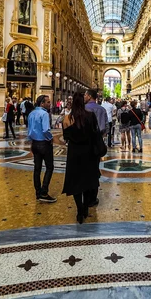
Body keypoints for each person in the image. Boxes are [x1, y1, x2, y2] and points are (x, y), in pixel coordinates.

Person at [62, 92, 101, 224]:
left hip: (74, 154)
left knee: (76, 182)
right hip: (89, 153)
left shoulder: (67, 118)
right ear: (83, 102)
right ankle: (85, 207)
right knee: (87, 181)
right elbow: (96, 134)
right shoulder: (90, 116)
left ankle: (79, 211)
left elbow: (66, 138)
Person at [28, 95, 56, 203]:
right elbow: (45, 130)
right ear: (42, 103)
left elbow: (29, 130)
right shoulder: (44, 114)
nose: (50, 104)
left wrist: (32, 142)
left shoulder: (31, 113)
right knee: (49, 167)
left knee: (37, 169)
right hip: (44, 144)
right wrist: (51, 138)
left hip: (35, 143)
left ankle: (38, 193)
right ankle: (44, 192)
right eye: (48, 102)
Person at [85, 89, 108, 207]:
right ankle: (93, 198)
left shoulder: (83, 109)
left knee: (84, 169)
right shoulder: (102, 109)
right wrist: (99, 138)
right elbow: (105, 128)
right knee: (94, 169)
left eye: (85, 94)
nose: (84, 96)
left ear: (89, 96)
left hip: (84, 144)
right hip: (97, 144)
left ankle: (85, 195)